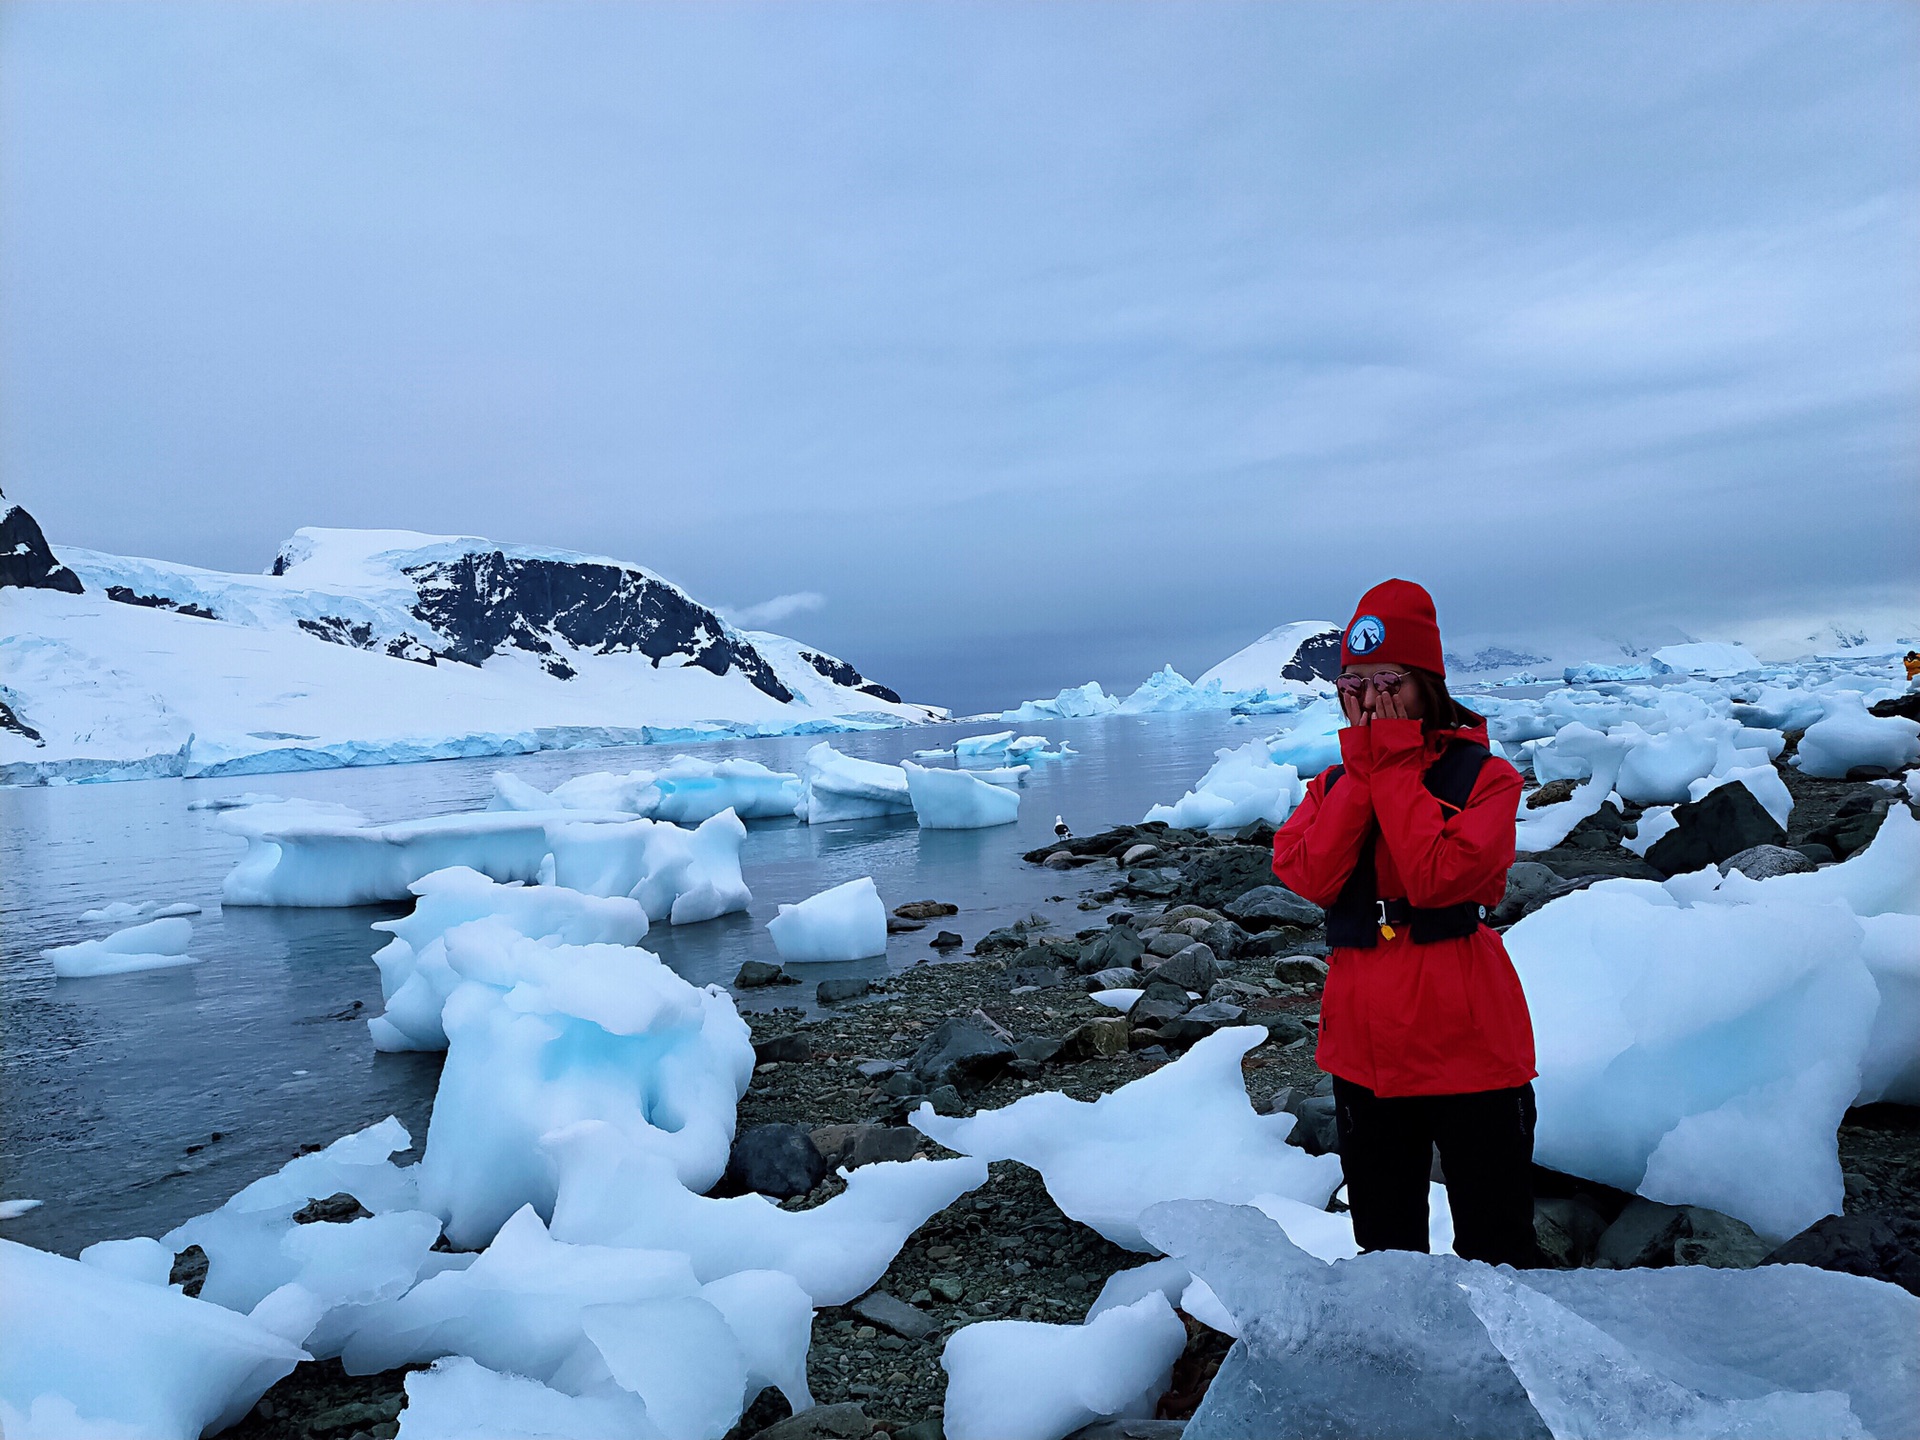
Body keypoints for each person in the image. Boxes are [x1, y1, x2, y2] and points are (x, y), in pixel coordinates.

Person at [1270, 578, 1538, 1266]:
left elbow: (1439, 879)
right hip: (1365, 1050)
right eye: (1354, 685)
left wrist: (1388, 763)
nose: (1369, 701)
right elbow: (1313, 877)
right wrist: (1363, 773)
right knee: (1385, 1243)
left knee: (1496, 1238)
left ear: (1426, 683)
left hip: (1468, 1040)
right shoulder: (1331, 785)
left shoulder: (1486, 779)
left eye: (1387, 683)